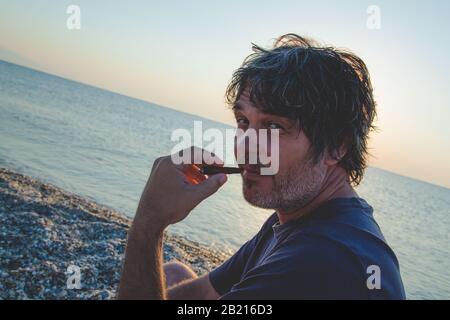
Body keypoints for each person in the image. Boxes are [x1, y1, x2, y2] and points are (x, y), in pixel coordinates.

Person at [118, 34, 405, 300]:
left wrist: (149, 223)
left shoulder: (323, 262)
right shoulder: (296, 216)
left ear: (336, 146)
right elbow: (206, 293)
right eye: (243, 121)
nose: (245, 146)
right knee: (173, 273)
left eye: (274, 126)